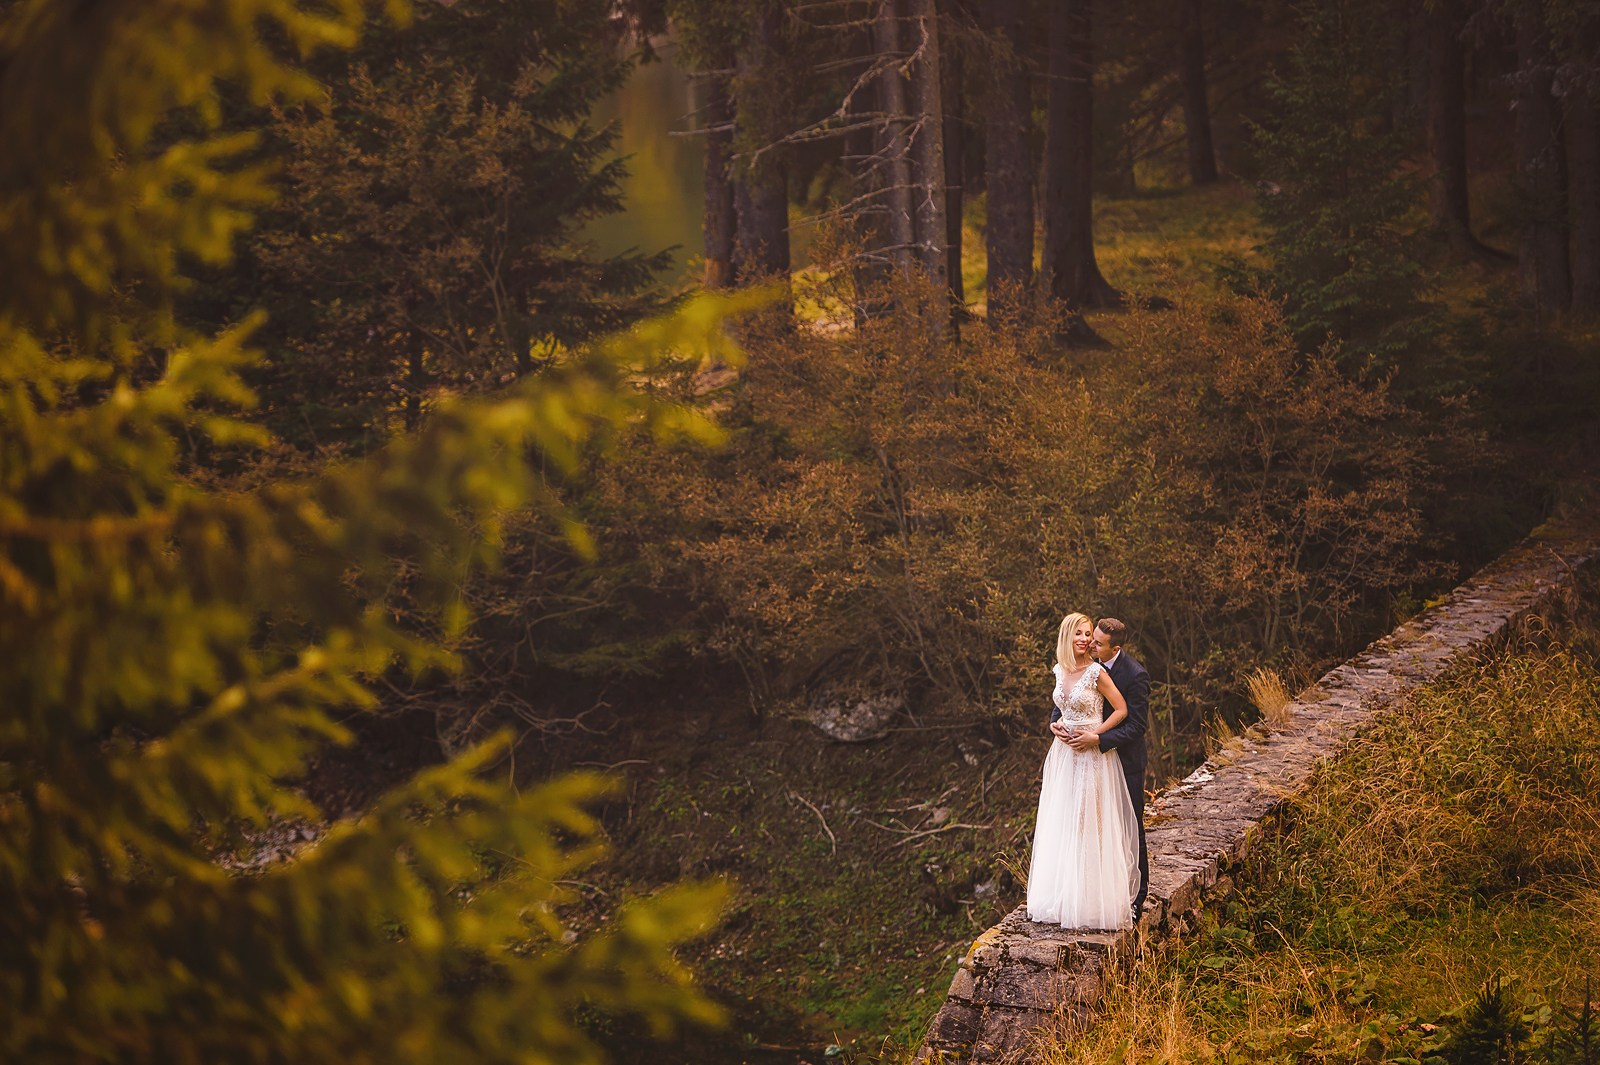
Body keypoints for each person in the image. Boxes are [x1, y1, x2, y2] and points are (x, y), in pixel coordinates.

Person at [1026, 612, 1141, 928]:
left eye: (1087, 633)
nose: (1084, 639)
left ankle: (1092, 900)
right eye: (1078, 633)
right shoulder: (1060, 670)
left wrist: (1097, 736)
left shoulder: (1096, 672)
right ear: (1066, 635)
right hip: (1064, 755)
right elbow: (1063, 707)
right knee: (1064, 820)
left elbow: (1122, 709)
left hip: (1091, 756)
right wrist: (1056, 724)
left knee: (1090, 822)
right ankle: (1064, 895)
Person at [1065, 617, 1151, 922]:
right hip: (1090, 763)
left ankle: (1135, 898)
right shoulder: (1086, 663)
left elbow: (1137, 726)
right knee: (1093, 826)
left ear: (1115, 648)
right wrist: (1058, 721)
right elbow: (1070, 698)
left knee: (1130, 825)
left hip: (1125, 762)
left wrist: (1097, 739)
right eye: (1091, 638)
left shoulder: (1135, 675)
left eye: (1097, 642)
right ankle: (1096, 892)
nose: (1090, 643)